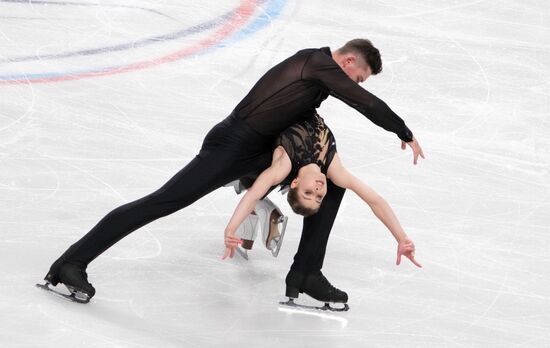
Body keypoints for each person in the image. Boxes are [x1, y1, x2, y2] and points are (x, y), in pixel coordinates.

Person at [40, 38, 424, 304]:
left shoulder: (316, 76)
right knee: (164, 201)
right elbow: (364, 102)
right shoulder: (317, 63)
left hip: (258, 150)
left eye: (355, 82)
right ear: (348, 62)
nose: (352, 84)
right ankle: (71, 261)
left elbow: (301, 118)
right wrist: (402, 131)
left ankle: (306, 273)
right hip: (231, 146)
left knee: (333, 186)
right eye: (355, 77)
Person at [222, 114, 421, 305]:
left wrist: (230, 229)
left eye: (308, 193)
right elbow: (375, 200)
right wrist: (401, 238)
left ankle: (258, 207)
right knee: (338, 185)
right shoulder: (335, 172)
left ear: (295, 182)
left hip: (270, 123)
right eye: (318, 197)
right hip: (282, 116)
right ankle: (303, 271)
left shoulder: (283, 165)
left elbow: (255, 193)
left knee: (255, 184)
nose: (318, 190)